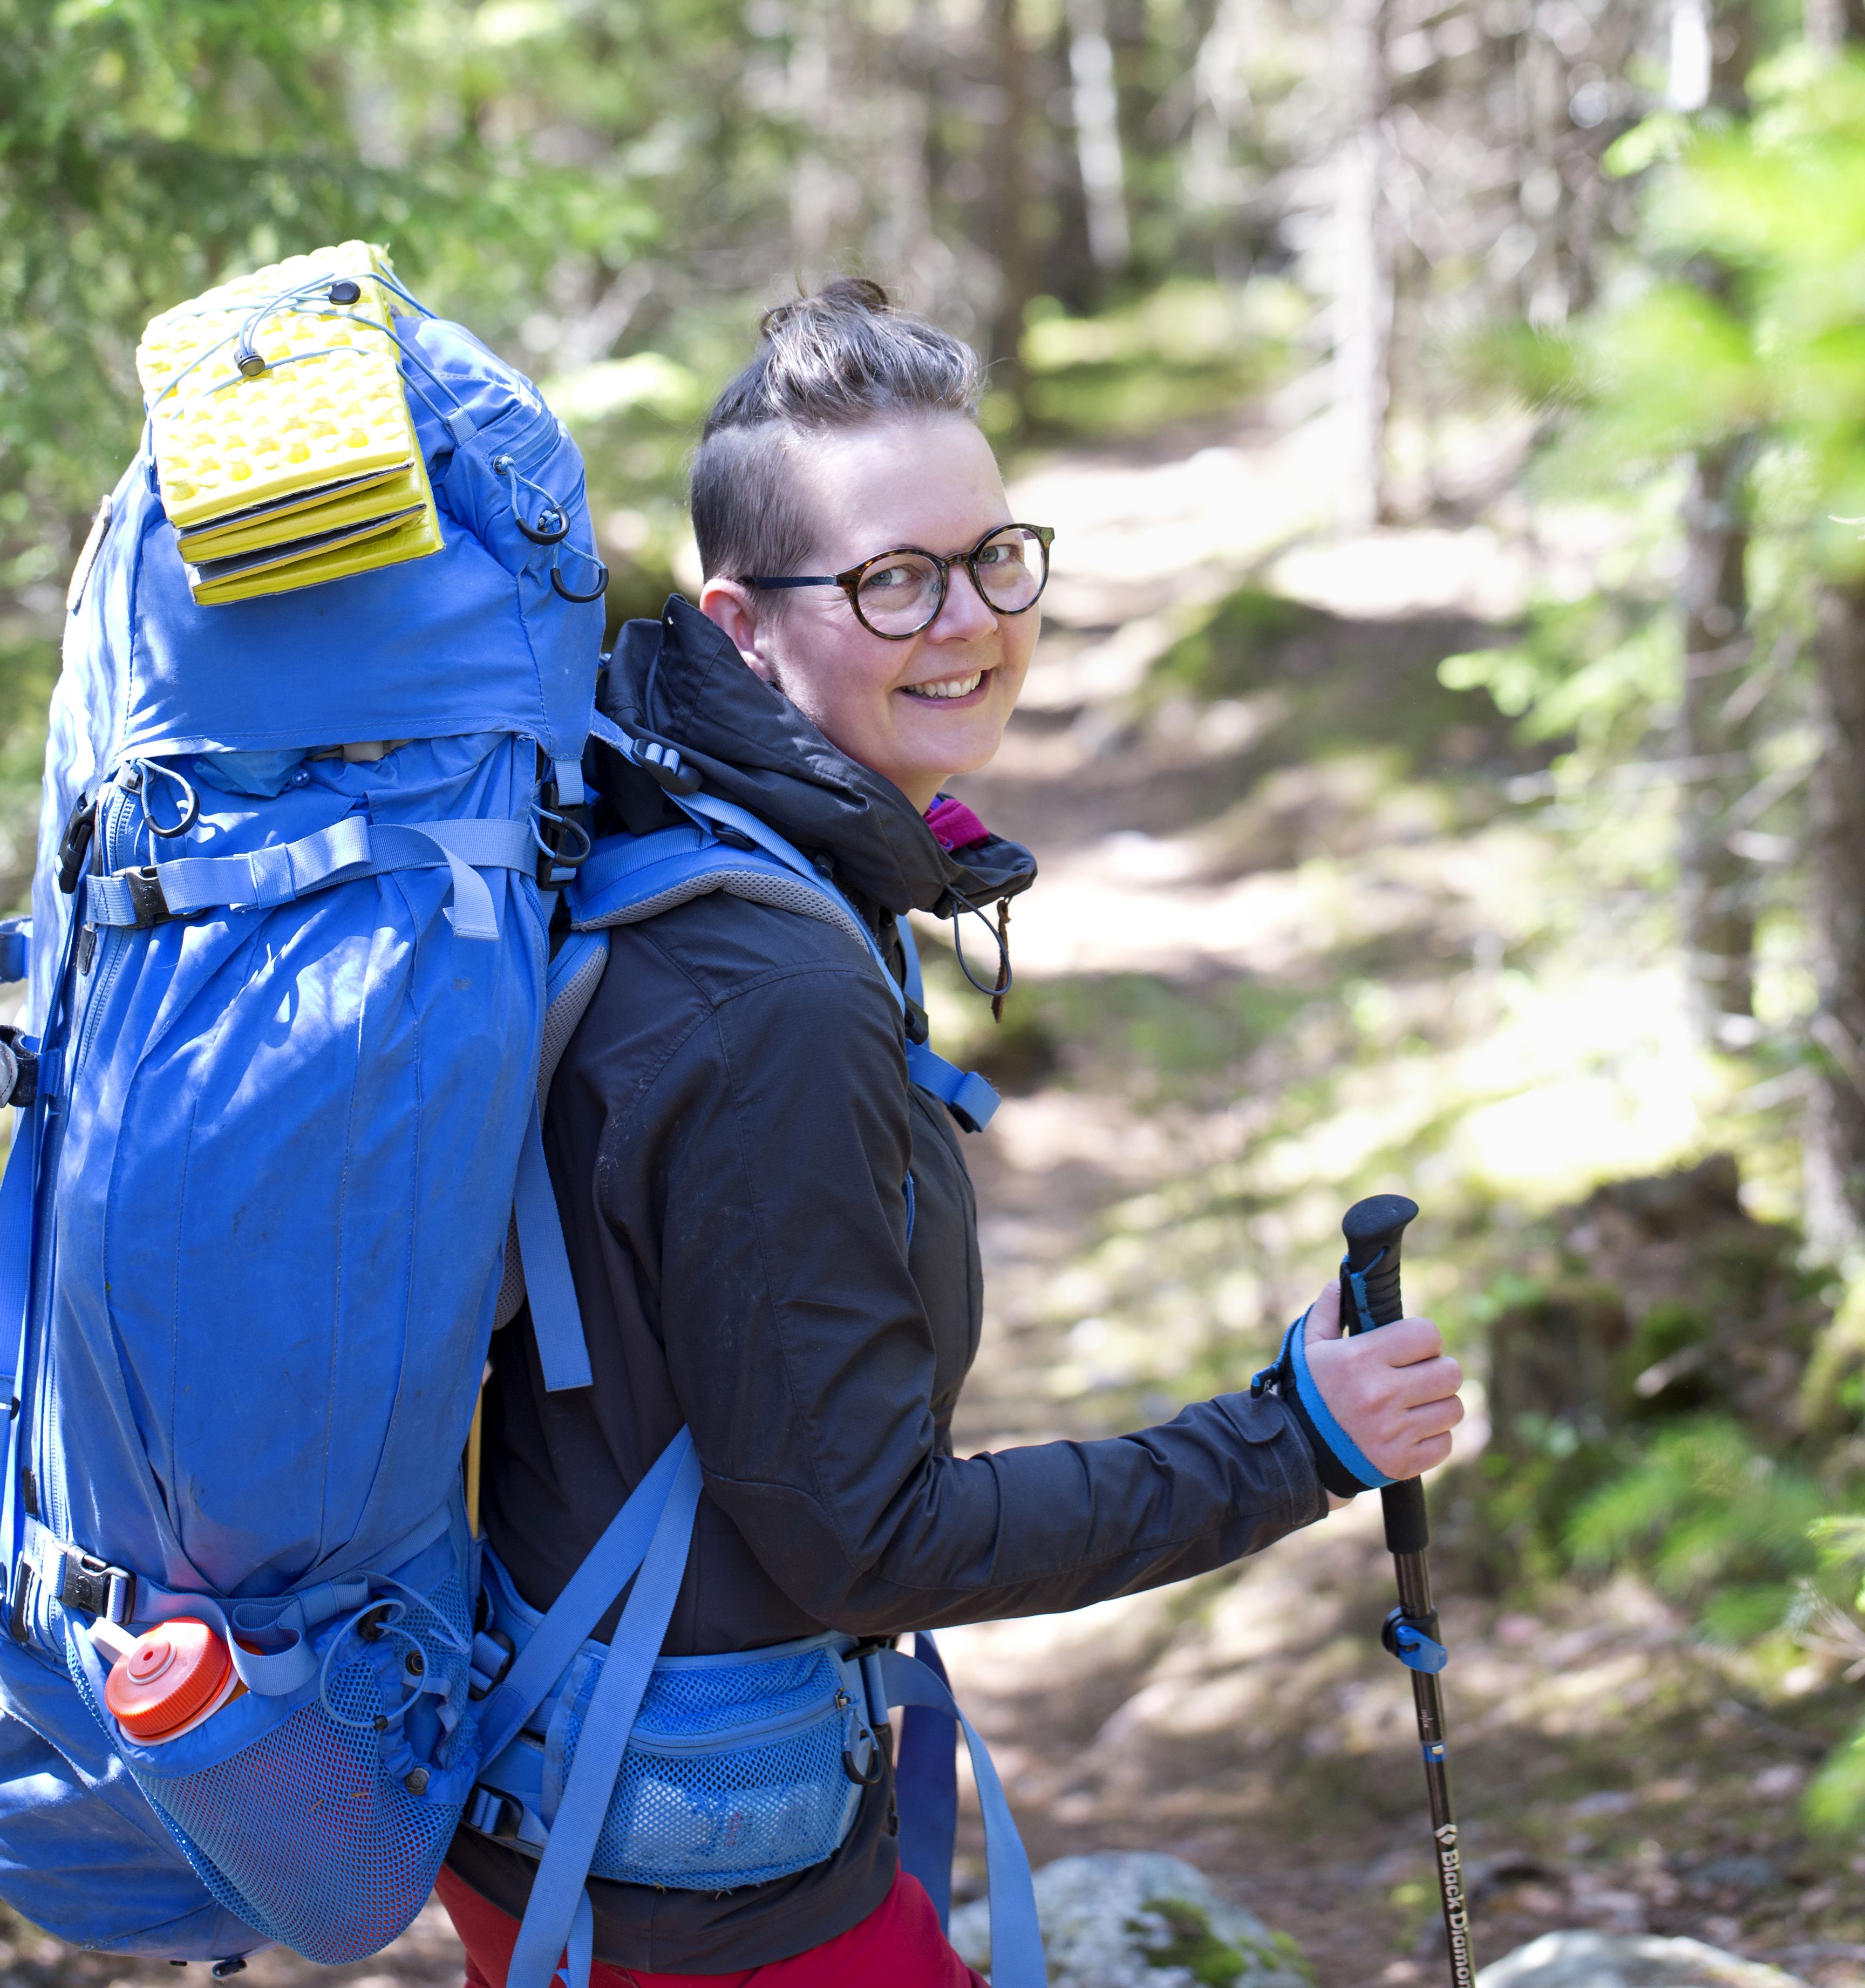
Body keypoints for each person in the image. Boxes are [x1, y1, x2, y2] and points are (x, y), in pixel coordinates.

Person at [437, 278, 1464, 1988]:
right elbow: (871, 1534)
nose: (970, 619)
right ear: (742, 623)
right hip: (694, 1890)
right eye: (891, 578)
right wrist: (1297, 1441)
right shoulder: (767, 990)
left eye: (996, 556)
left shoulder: (678, 832)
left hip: (579, 1795)